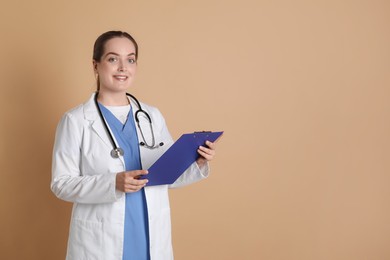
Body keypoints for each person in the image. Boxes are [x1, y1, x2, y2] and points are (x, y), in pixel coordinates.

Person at [51, 31, 217, 260]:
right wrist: (112, 183)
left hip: (150, 236)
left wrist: (196, 162)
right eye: (112, 59)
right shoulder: (75, 120)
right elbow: (61, 184)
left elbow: (167, 176)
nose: (123, 67)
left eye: (130, 59)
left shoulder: (151, 116)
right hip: (101, 242)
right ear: (95, 65)